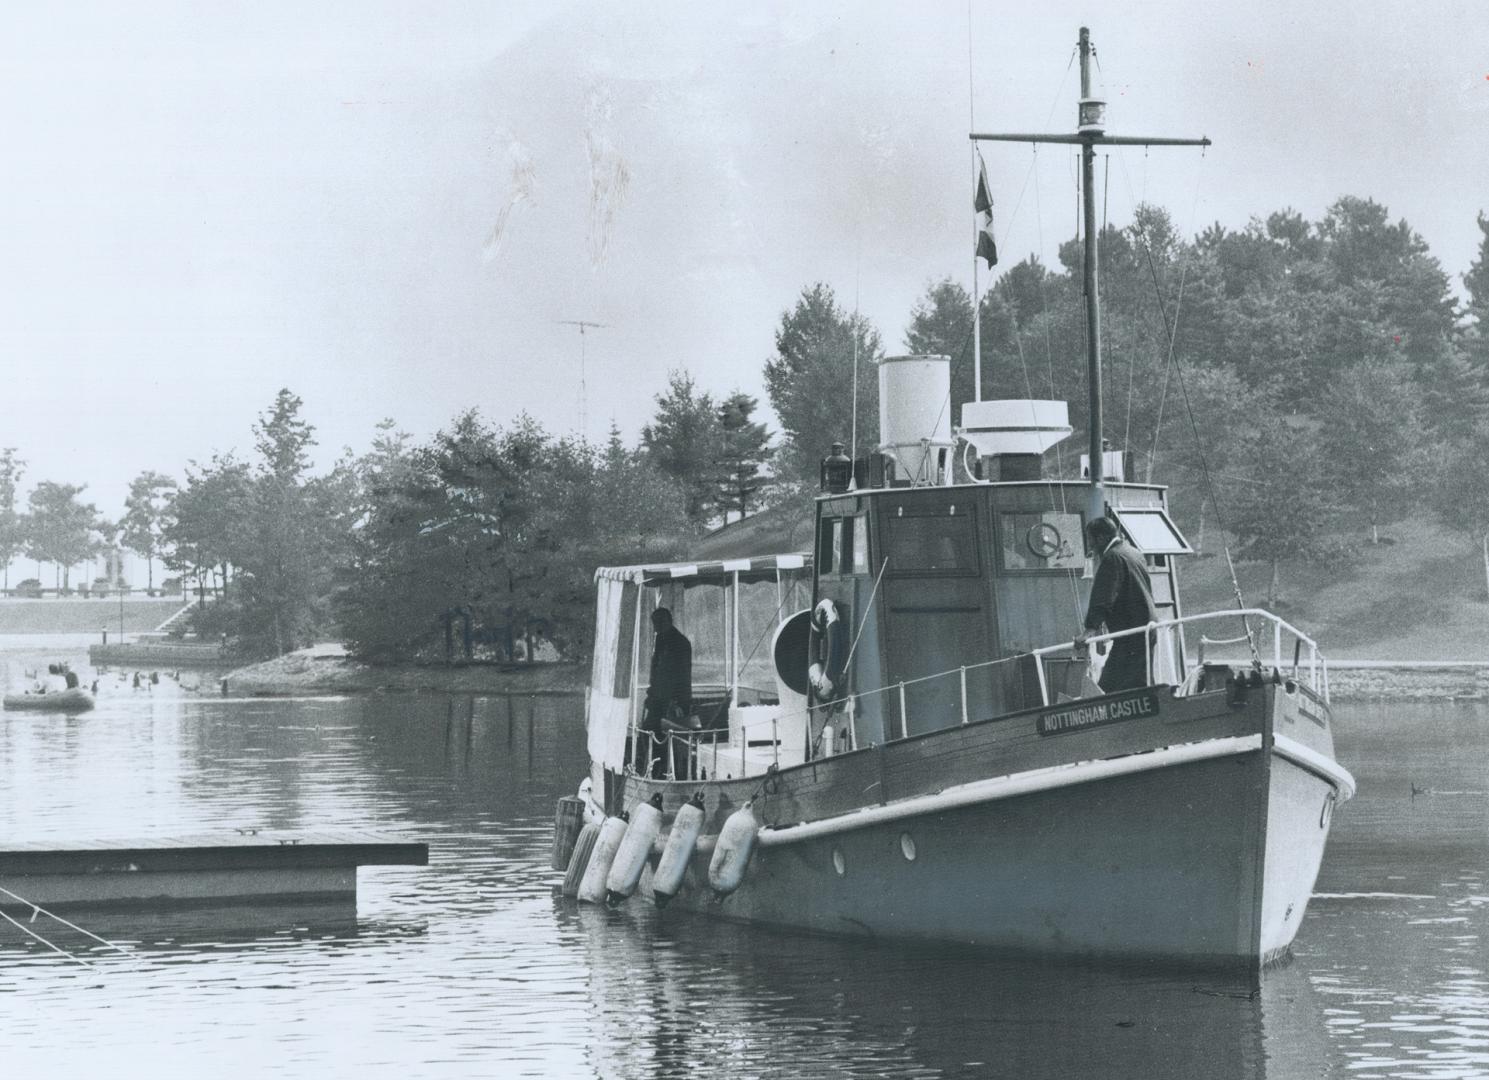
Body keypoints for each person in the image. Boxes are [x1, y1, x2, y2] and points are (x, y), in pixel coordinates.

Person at [1077, 516, 1157, 693]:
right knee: (1140, 679)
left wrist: (1089, 630)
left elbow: (1103, 597)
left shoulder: (1112, 558)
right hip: (1146, 627)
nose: (1089, 546)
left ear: (1100, 538)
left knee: (1111, 685)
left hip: (1131, 633)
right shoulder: (1133, 552)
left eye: (1090, 540)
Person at [640, 607, 692, 777]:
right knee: (648, 732)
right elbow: (657, 673)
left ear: (666, 622)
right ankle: (656, 768)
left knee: (655, 733)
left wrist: (675, 702)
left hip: (673, 701)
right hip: (658, 700)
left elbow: (682, 675)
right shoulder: (661, 639)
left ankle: (661, 770)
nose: (654, 628)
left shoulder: (680, 643)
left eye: (657, 624)